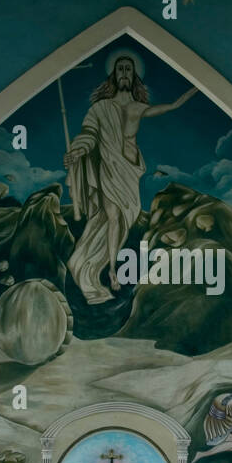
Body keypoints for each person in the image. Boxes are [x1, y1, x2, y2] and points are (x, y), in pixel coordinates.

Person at [63, 52, 197, 304]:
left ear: (134, 75)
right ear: (114, 75)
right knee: (112, 216)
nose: (124, 72)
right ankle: (112, 271)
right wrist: (78, 151)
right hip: (108, 168)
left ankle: (101, 265)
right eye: (120, 68)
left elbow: (171, 107)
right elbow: (89, 135)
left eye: (128, 69)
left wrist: (196, 88)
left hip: (129, 170)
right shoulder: (100, 108)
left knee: (127, 215)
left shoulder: (138, 107)